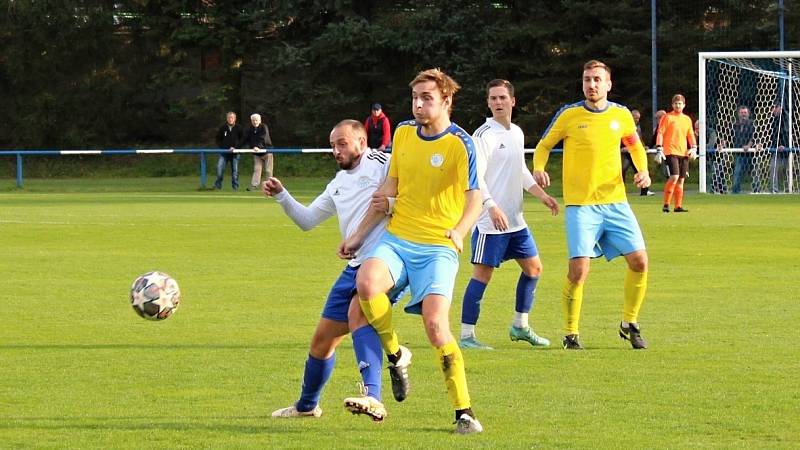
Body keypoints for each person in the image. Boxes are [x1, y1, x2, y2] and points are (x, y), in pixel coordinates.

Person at [339, 68, 484, 434]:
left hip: (438, 247)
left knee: (436, 326)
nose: (419, 105)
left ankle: (463, 411)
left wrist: (460, 231)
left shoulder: (460, 143)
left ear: (446, 101)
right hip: (398, 239)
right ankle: (396, 354)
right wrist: (358, 235)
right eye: (415, 98)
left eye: (427, 99)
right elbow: (390, 187)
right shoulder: (403, 133)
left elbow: (475, 200)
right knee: (366, 283)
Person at [267, 120, 405, 422]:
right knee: (322, 342)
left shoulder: (384, 164)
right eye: (332, 145)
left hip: (386, 262)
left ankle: (374, 396)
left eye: (342, 143)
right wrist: (281, 195)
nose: (335, 150)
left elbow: (411, 197)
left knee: (359, 313)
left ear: (362, 141)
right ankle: (306, 406)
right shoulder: (338, 184)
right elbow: (307, 220)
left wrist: (391, 203)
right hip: (354, 267)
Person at [532, 60, 651, 351]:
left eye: (598, 79)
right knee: (579, 271)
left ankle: (630, 323)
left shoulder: (621, 115)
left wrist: (643, 170)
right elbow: (544, 144)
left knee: (640, 262)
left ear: (608, 84)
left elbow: (634, 145)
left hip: (616, 203)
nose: (592, 84)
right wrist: (538, 167)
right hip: (581, 206)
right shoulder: (570, 115)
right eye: (587, 79)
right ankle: (571, 334)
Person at [458, 79, 559, 351]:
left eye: (503, 97)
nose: (498, 103)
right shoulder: (483, 136)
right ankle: (467, 336)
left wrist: (542, 195)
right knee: (482, 275)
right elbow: (476, 177)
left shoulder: (516, 132)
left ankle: (520, 326)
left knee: (534, 268)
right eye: (493, 98)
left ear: (513, 101)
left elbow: (521, 171)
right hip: (490, 222)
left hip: (515, 221)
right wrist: (490, 206)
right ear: (488, 103)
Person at [656, 94, 697, 213]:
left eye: (680, 103)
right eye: (676, 103)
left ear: (684, 105)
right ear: (672, 105)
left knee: (681, 180)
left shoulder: (687, 119)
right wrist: (659, 147)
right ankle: (666, 204)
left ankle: (678, 206)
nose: (678, 105)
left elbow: (690, 134)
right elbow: (660, 133)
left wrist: (694, 147)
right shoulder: (667, 117)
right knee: (674, 176)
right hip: (671, 151)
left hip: (683, 152)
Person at [622, 109, 654, 196]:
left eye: (638, 118)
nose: (636, 120)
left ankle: (644, 191)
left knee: (640, 169)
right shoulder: (624, 125)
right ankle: (621, 190)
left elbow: (639, 140)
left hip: (635, 151)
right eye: (635, 118)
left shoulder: (638, 126)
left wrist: (643, 146)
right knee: (622, 169)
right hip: (625, 153)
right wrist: (623, 148)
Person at [213, 112, 244, 190]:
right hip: (224, 153)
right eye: (229, 117)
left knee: (235, 171)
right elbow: (217, 139)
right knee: (219, 169)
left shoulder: (239, 128)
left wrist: (236, 148)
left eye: (232, 117)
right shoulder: (222, 128)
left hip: (235, 153)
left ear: (235, 119)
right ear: (227, 119)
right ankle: (218, 186)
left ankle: (235, 187)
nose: (230, 119)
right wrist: (223, 147)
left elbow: (242, 140)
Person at [244, 113, 274, 191]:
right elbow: (244, 139)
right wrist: (235, 147)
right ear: (251, 121)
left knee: (268, 170)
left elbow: (263, 138)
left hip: (267, 152)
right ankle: (254, 186)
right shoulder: (250, 129)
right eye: (253, 120)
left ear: (260, 120)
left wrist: (258, 146)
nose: (255, 122)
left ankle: (269, 186)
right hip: (257, 154)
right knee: (257, 169)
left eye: (256, 120)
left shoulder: (264, 127)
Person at [730, 105, 755, 194]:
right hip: (739, 153)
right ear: (738, 114)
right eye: (742, 112)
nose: (743, 114)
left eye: (745, 112)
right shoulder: (735, 125)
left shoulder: (752, 124)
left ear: (748, 114)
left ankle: (757, 190)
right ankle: (735, 191)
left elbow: (754, 136)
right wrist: (723, 143)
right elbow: (729, 137)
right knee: (737, 172)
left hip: (752, 154)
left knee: (755, 173)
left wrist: (748, 145)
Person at [768, 102, 790, 193]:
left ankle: (789, 188)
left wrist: (783, 144)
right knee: (773, 168)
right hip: (775, 149)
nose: (772, 110)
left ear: (779, 108)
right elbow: (771, 134)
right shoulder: (772, 120)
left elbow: (785, 132)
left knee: (788, 171)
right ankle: (774, 190)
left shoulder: (786, 118)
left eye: (774, 108)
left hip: (786, 149)